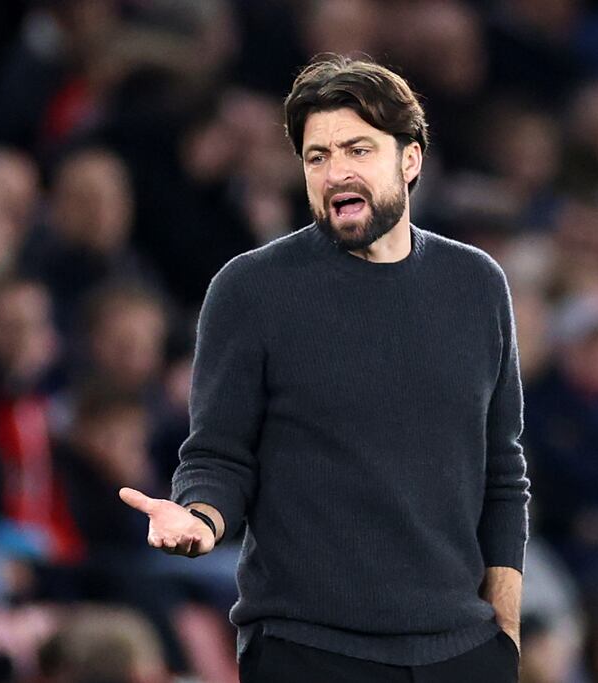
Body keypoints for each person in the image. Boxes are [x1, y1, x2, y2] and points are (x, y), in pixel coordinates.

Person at [120, 56, 530, 682]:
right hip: (307, 650)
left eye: (359, 150)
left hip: (461, 652)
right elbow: (219, 456)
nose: (336, 171)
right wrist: (199, 518)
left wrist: (504, 638)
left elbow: (502, 473)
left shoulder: (476, 285)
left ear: (410, 160)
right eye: (317, 157)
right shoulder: (250, 289)